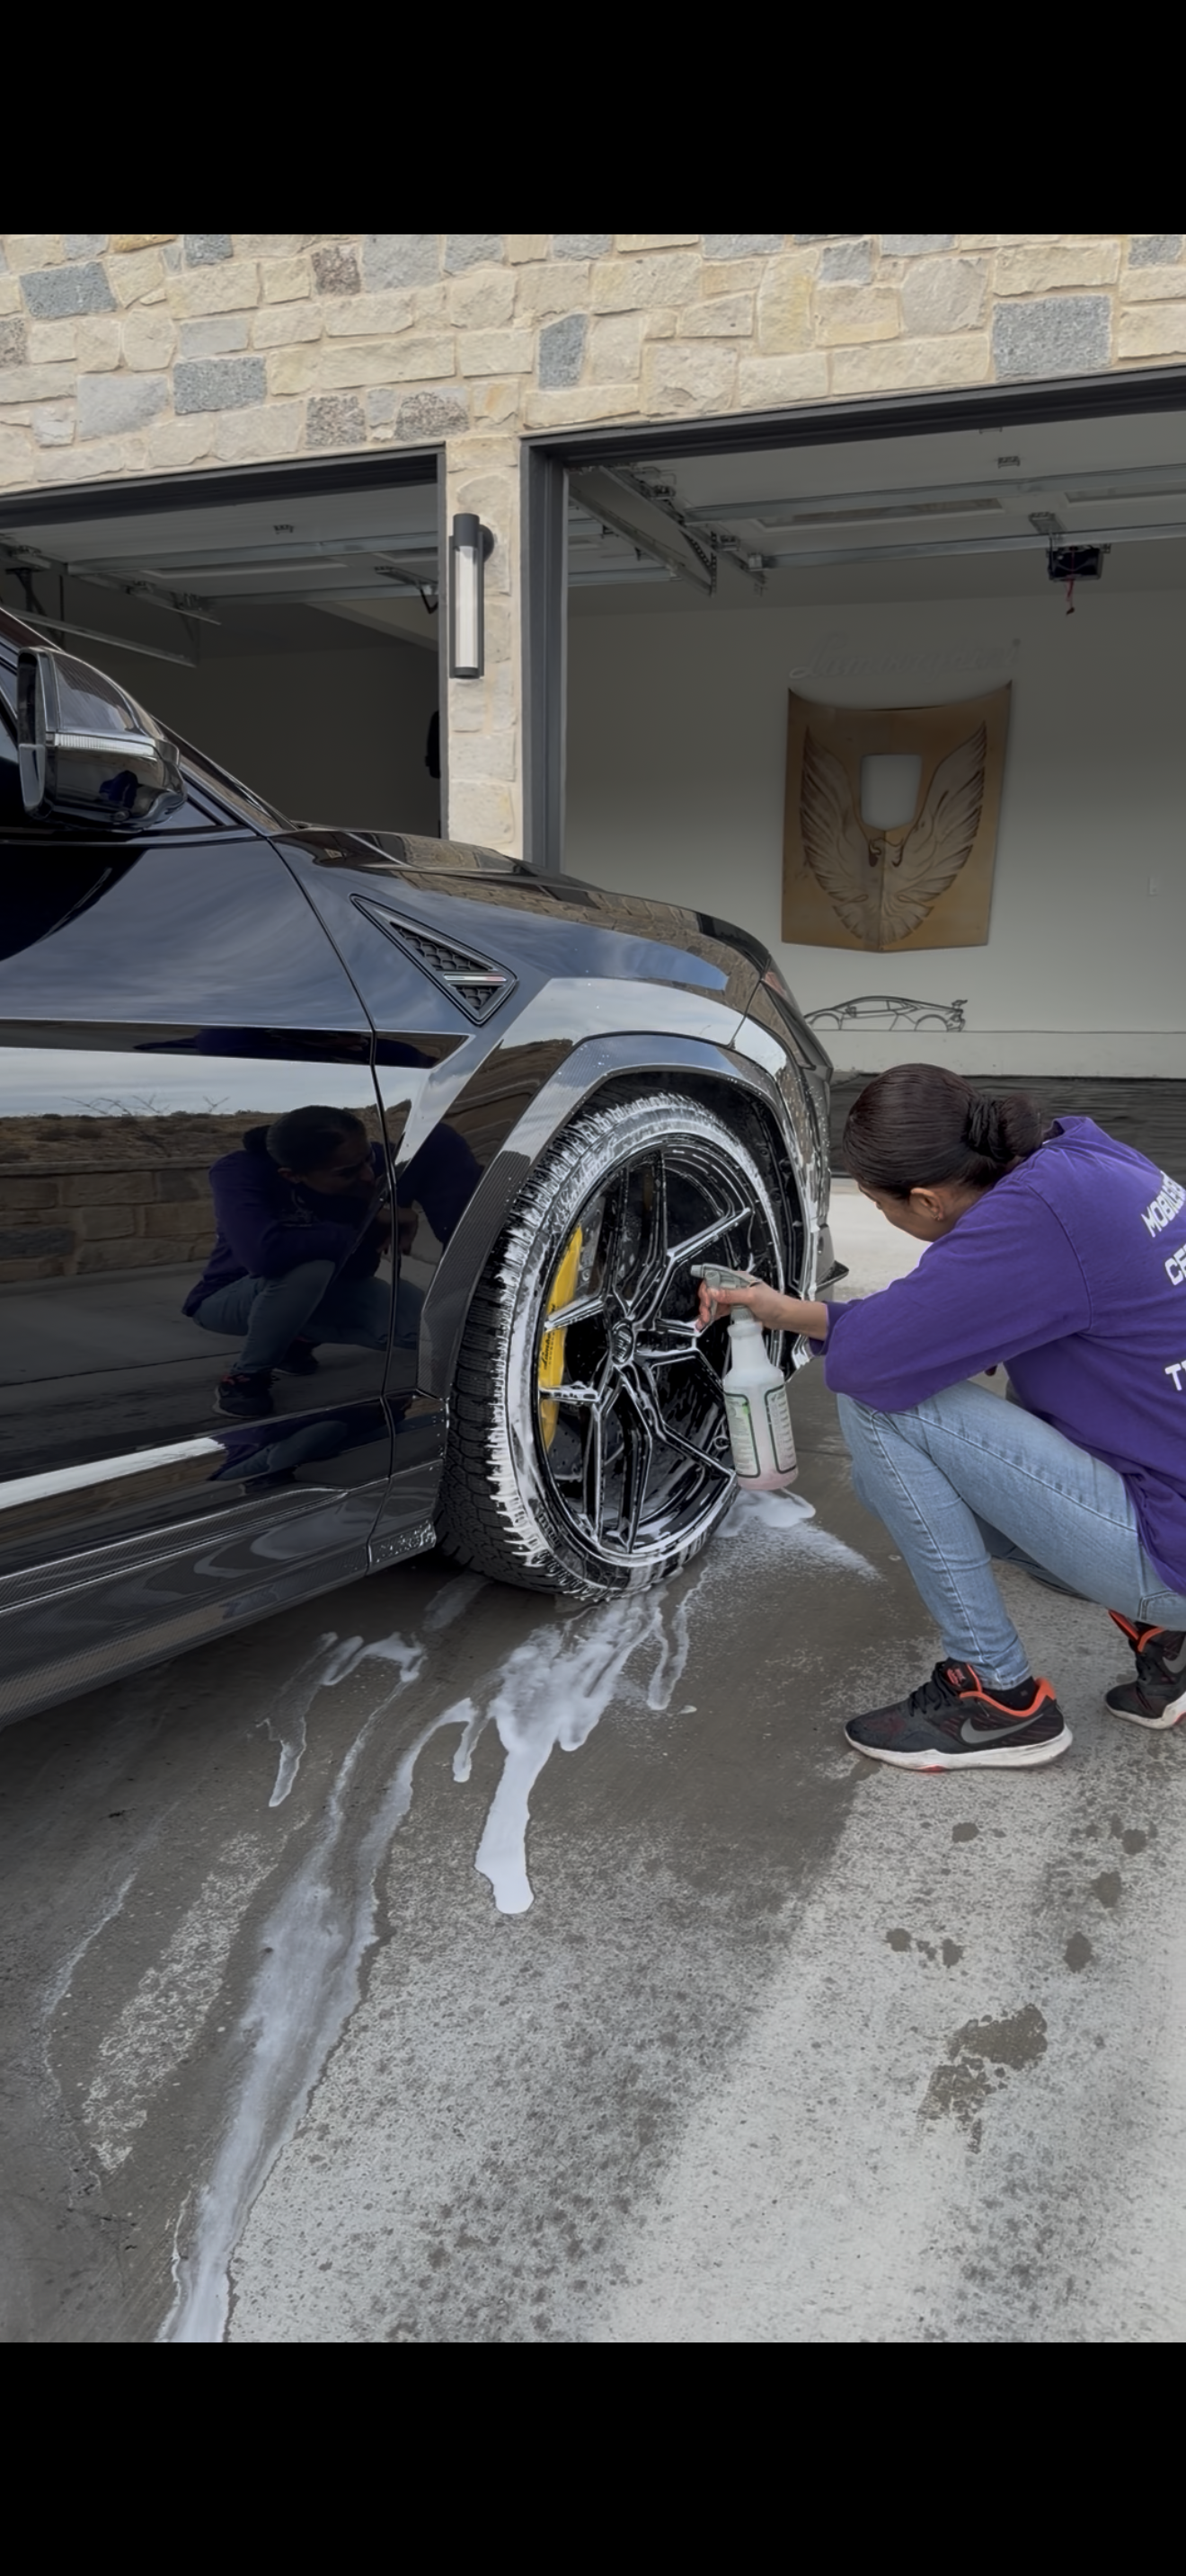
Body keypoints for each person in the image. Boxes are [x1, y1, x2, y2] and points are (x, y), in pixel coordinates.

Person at [698, 1064, 1186, 1773]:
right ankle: (1165, 1640)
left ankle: (997, 1698)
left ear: (926, 1200)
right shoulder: (1082, 1159)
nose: (886, 1219)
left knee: (879, 1410)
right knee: (892, 1473)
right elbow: (925, 1323)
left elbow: (875, 1365)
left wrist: (825, 1333)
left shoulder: (1028, 1228)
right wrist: (785, 1310)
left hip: (1172, 1550)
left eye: (880, 1205)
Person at [186, 1105, 416, 1419]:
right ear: (291, 1175)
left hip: (314, 1290)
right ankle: (244, 1379)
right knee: (311, 1266)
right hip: (227, 1298)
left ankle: (296, 1338)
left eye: (368, 1159)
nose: (366, 1174)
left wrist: (369, 1209)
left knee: (435, 1330)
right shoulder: (240, 1172)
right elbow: (264, 1255)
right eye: (348, 1171)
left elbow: (359, 1269)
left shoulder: (349, 1164)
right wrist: (358, 1225)